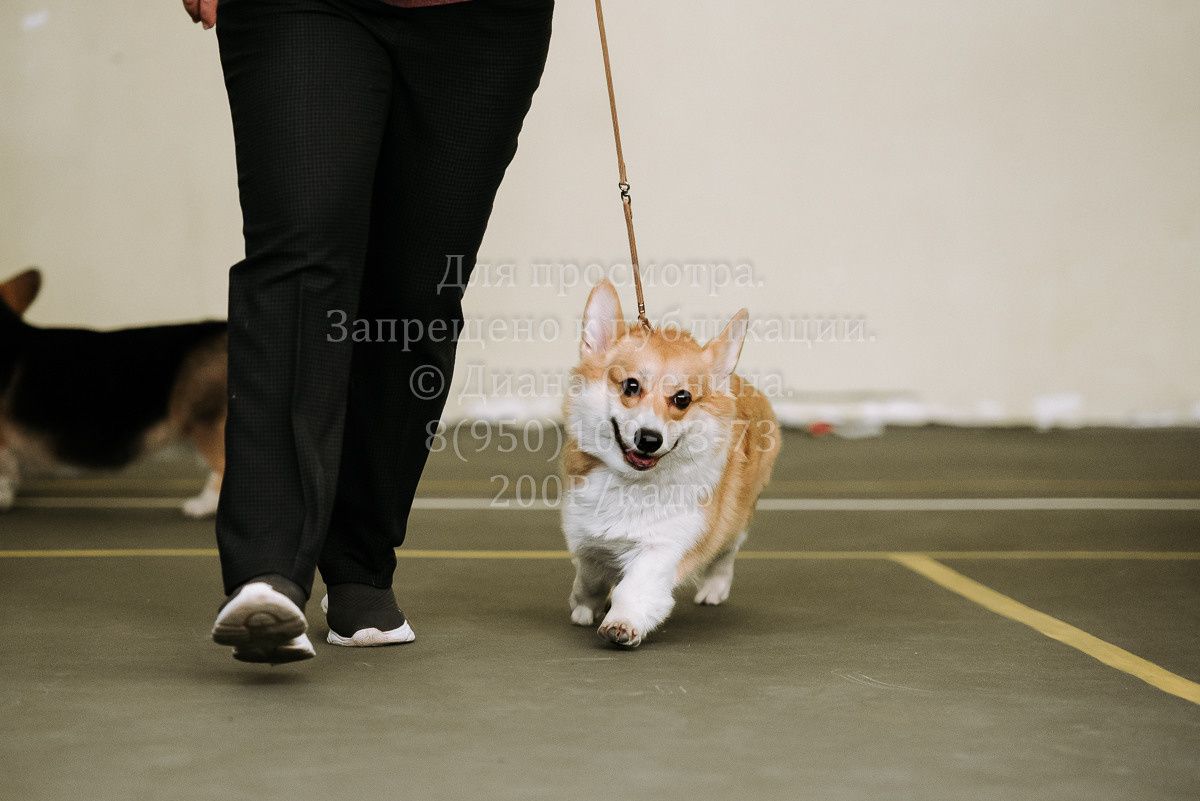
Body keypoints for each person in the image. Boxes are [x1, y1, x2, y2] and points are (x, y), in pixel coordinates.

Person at [183, 0, 555, 663]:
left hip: (483, 20)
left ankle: (359, 564)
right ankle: (269, 571)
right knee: (300, 261)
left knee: (416, 293)